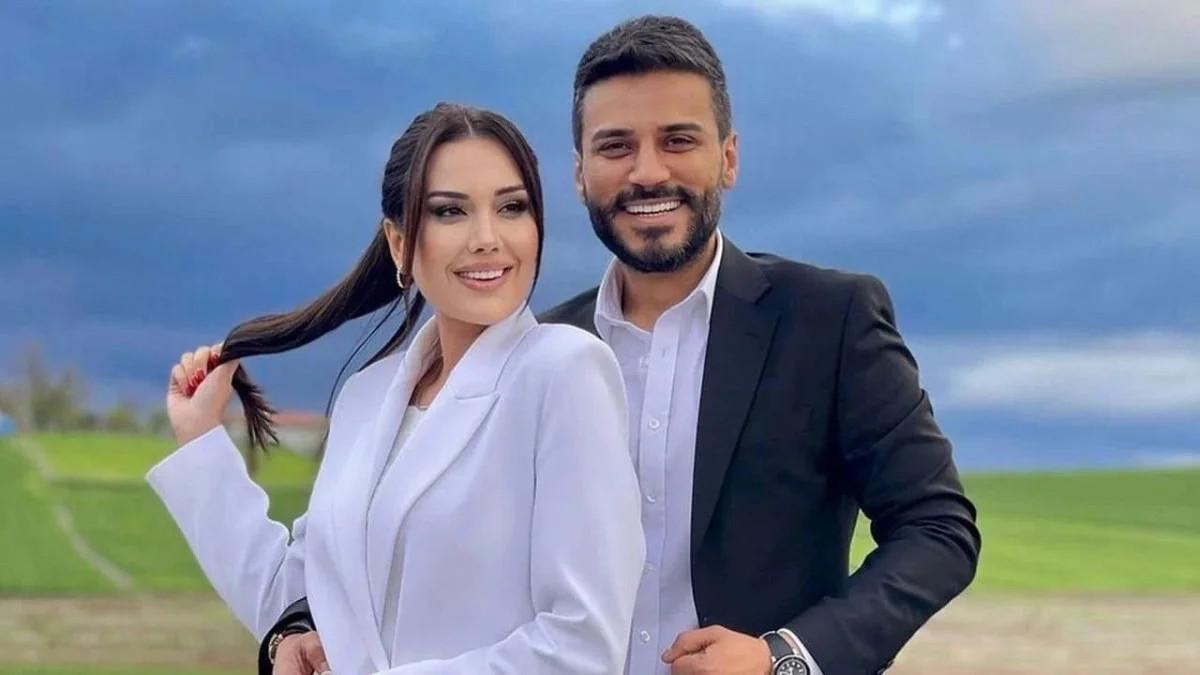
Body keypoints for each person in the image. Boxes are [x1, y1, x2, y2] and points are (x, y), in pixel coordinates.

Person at [264, 15, 982, 675]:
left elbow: (938, 527)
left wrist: (784, 657)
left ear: (729, 158)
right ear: (580, 174)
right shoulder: (537, 355)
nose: (647, 172)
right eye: (616, 146)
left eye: (678, 140)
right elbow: (402, 537)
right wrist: (301, 622)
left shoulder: (829, 319)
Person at [146, 102, 646, 675]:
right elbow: (299, 595)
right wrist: (201, 442)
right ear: (398, 242)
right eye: (450, 211)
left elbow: (583, 646)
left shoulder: (566, 371)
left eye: (512, 207)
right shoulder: (367, 395)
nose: (488, 238)